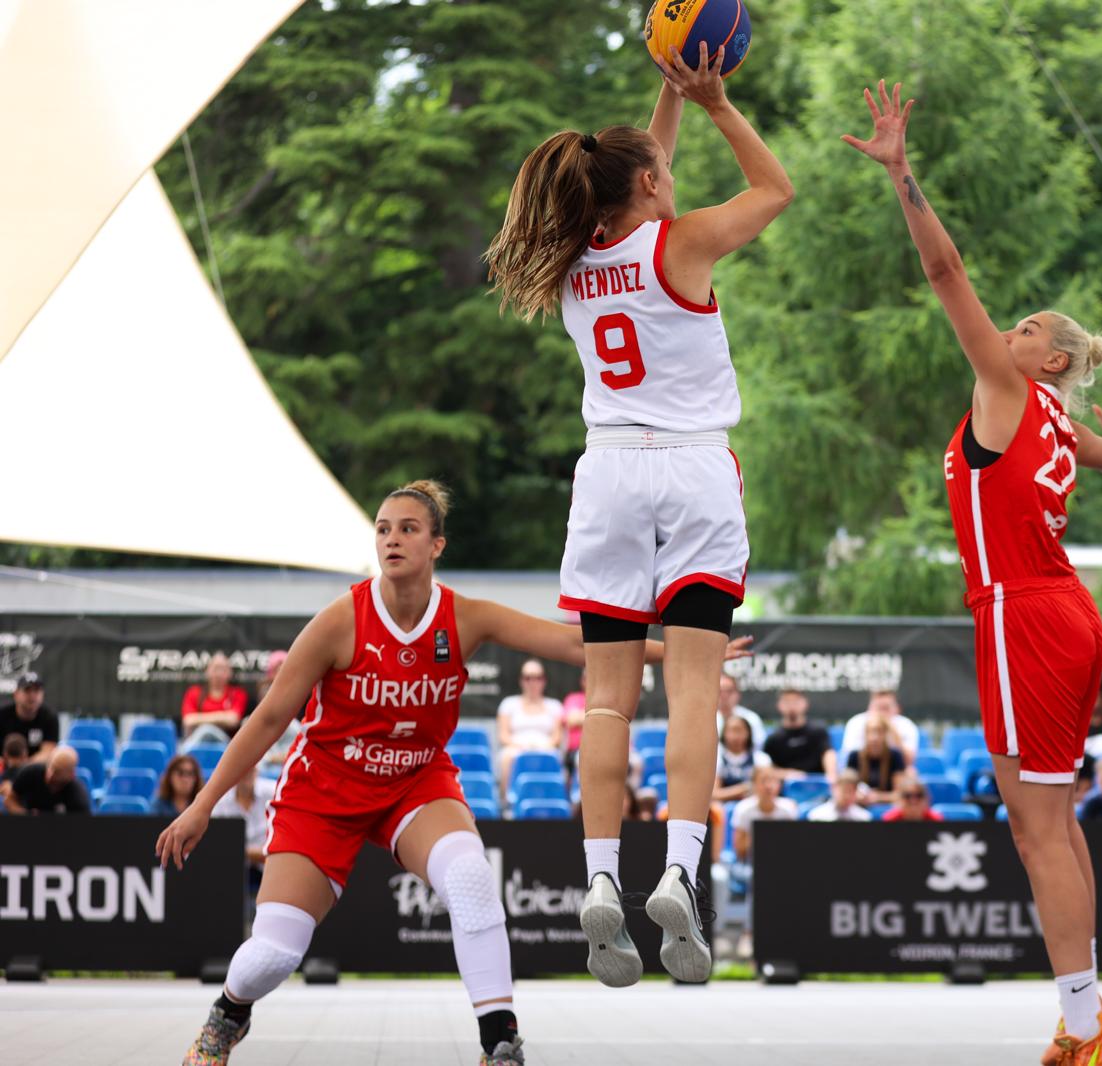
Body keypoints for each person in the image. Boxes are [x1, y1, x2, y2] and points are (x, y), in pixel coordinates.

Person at [155, 481, 749, 1066]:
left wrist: (689, 650)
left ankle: (501, 1044)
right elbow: (264, 722)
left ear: (436, 545)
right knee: (273, 955)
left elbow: (576, 647)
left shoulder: (465, 617)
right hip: (324, 792)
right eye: (383, 529)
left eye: (408, 529)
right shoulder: (340, 621)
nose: (392, 540)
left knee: (469, 880)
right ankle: (227, 1016)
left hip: (415, 782)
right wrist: (201, 804)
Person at [483, 45, 792, 991]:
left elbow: (637, 175)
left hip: (610, 473)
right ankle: (681, 874)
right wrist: (717, 101)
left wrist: (668, 91)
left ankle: (602, 878)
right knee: (693, 694)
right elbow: (775, 189)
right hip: (694, 470)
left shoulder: (577, 262)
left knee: (608, 699)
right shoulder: (681, 243)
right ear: (651, 186)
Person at [845, 81, 1102, 1065]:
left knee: (1040, 827)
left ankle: (1090, 1026)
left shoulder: (1012, 387)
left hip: (1023, 610)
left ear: (1047, 359)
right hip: (1052, 608)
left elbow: (941, 269)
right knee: (1043, 825)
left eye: (1023, 327)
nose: (1004, 329)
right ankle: (1082, 1018)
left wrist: (901, 176)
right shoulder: (1058, 417)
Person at [212, 756, 276, 909]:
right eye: (243, 770)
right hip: (232, 869)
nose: (247, 774)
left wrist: (248, 852)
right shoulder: (221, 801)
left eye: (251, 769)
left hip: (271, 865)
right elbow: (216, 843)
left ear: (257, 771)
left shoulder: (273, 793)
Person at [497, 659, 563, 792]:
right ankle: (506, 804)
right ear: (521, 680)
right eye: (528, 678)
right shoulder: (508, 704)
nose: (533, 682)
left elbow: (557, 738)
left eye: (537, 678)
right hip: (515, 749)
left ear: (544, 680)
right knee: (506, 757)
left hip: (546, 748)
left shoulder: (555, 706)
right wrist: (522, 747)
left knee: (555, 757)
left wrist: (541, 747)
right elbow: (503, 736)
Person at [763, 688, 836, 780]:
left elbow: (828, 753)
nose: (792, 705)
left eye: (796, 701)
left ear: (805, 703)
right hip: (785, 789)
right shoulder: (773, 739)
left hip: (818, 786)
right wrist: (788, 774)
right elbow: (766, 769)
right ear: (779, 705)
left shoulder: (819, 732)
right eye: (787, 701)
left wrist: (831, 776)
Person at [730, 765, 797, 862]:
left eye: (773, 780)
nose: (769, 786)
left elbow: (793, 846)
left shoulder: (789, 808)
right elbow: (740, 852)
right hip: (750, 863)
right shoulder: (743, 809)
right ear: (754, 784)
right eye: (763, 780)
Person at [181, 653, 250, 739]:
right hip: (196, 740)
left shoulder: (238, 693)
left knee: (207, 731)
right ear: (207, 671)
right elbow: (188, 720)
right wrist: (223, 717)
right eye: (215, 668)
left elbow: (233, 720)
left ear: (230, 673)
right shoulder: (194, 692)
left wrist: (199, 718)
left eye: (223, 669)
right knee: (205, 731)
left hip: (225, 743)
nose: (218, 673)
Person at [5, 745, 89, 814]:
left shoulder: (78, 797)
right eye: (51, 767)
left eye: (58, 771)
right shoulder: (30, 773)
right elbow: (10, 800)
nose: (51, 775)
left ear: (71, 775)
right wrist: (26, 815)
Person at [840, 689, 920, 761]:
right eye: (878, 708)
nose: (882, 713)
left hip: (895, 769)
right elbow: (849, 758)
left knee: (910, 774)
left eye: (886, 708)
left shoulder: (907, 725)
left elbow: (909, 761)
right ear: (869, 708)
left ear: (897, 709)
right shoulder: (856, 722)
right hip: (863, 769)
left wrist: (892, 731)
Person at [845, 713, 906, 804]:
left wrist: (877, 797)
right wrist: (857, 796)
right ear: (865, 734)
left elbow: (900, 794)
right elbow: (847, 789)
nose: (875, 737)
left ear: (885, 734)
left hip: (887, 806)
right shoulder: (854, 756)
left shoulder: (895, 756)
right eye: (870, 732)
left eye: (879, 732)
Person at [0, 671, 58, 761]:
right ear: (16, 694)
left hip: (35, 769)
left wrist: (23, 767)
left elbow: (48, 752)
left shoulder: (49, 717)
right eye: (27, 690)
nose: (32, 695)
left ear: (42, 694)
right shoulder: (2, 715)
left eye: (37, 690)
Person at [712, 713, 769, 803]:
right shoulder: (716, 759)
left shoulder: (760, 759)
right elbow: (714, 794)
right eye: (732, 731)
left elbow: (767, 790)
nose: (735, 736)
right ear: (724, 733)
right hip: (724, 809)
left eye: (740, 730)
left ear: (748, 733)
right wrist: (743, 789)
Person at [715, 672, 768, 749]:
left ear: (737, 693)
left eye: (729, 691)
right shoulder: (705, 720)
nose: (724, 696)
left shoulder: (751, 718)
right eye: (720, 691)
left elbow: (759, 745)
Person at [807, 769, 871, 822]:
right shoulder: (817, 816)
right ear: (833, 788)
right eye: (844, 791)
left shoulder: (864, 817)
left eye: (851, 791)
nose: (847, 796)